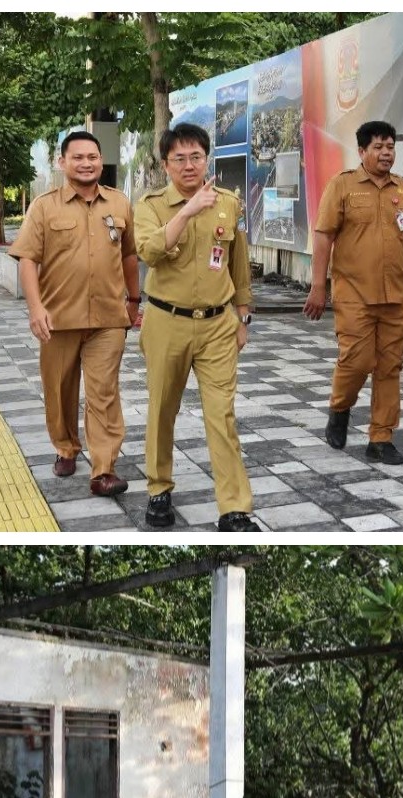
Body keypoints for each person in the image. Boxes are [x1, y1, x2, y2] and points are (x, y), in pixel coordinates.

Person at [134, 122, 259, 532]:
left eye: (196, 157)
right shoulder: (150, 206)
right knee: (162, 410)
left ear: (207, 159)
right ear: (165, 164)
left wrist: (242, 315)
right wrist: (187, 211)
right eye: (179, 159)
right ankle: (158, 490)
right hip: (166, 322)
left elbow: (237, 261)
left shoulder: (228, 203)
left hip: (217, 325)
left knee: (221, 414)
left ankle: (234, 507)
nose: (189, 166)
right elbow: (151, 252)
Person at [9, 131, 140, 497]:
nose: (86, 163)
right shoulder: (44, 206)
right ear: (62, 162)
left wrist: (134, 300)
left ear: (101, 161)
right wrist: (36, 309)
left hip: (109, 319)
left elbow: (129, 255)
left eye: (93, 157)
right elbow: (28, 260)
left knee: (103, 392)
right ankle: (66, 447)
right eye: (78, 157)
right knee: (60, 391)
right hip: (59, 319)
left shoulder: (119, 203)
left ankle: (103, 470)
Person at [303, 119, 403, 465]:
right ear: (362, 152)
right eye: (377, 147)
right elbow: (323, 236)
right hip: (354, 294)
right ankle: (340, 407)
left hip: (396, 296)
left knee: (390, 367)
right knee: (358, 360)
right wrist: (319, 285)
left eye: (390, 146)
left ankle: (381, 437)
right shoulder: (343, 186)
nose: (385, 153)